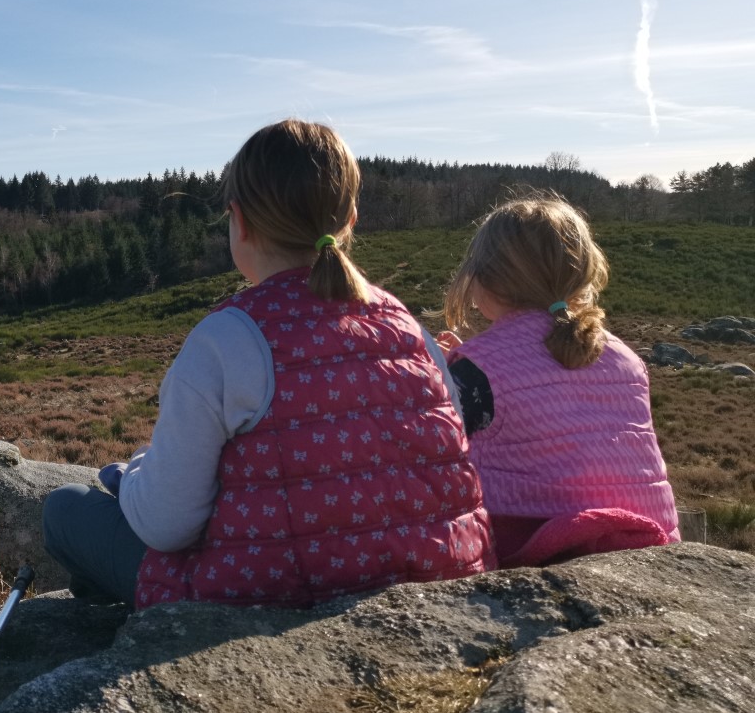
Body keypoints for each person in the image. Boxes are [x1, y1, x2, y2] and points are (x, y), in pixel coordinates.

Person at [42, 119, 494, 608]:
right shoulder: (409, 328)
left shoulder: (227, 337)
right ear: (351, 220)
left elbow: (165, 525)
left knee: (66, 509)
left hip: (263, 600)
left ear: (239, 220)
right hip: (441, 583)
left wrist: (134, 473)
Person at [437, 194, 679, 565]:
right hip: (649, 548)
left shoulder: (477, 368)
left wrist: (446, 372)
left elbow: (437, 453)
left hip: (532, 552)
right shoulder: (627, 359)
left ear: (484, 279)